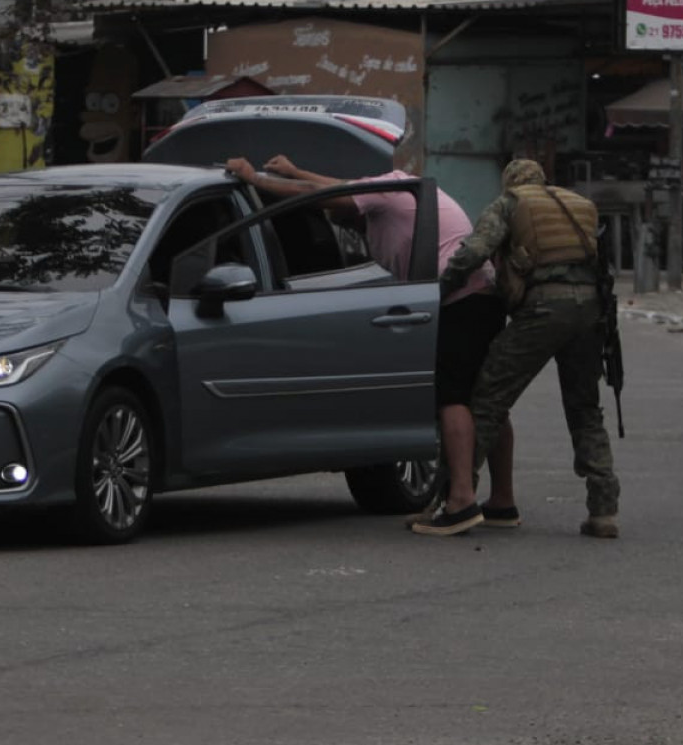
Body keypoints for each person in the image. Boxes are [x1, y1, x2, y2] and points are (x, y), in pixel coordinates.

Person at [224, 155, 520, 529]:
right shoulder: (394, 193)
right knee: (486, 400)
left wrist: (256, 181)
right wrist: (296, 171)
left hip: (460, 302)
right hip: (480, 298)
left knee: (452, 396)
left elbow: (326, 195)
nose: (335, 219)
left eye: (339, 215)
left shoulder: (388, 192)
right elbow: (336, 185)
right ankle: (502, 502)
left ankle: (461, 499)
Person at [433, 159, 618, 539]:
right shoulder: (579, 204)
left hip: (542, 310)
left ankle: (454, 498)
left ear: (510, 183)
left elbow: (474, 252)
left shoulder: (509, 203)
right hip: (590, 312)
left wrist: (439, 291)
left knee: (487, 398)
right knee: (585, 409)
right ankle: (603, 511)